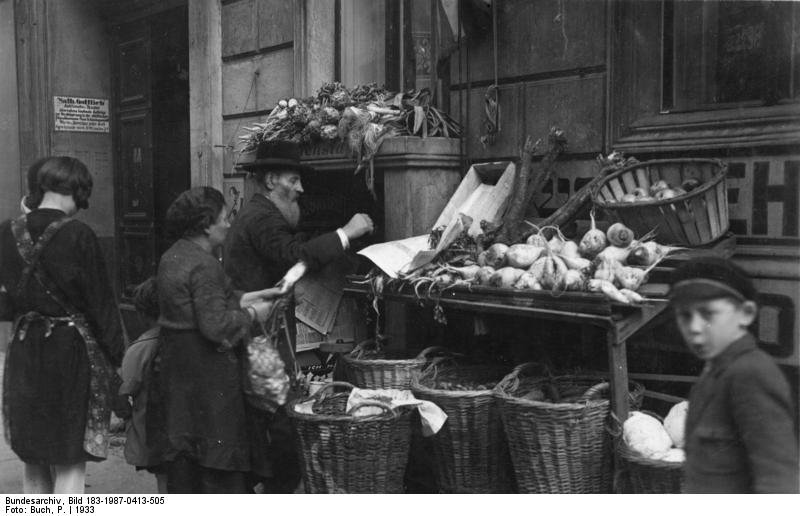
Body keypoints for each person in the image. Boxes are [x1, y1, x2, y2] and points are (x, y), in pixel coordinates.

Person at [222, 139, 374, 493]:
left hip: (265, 333)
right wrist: (346, 233)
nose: (301, 189)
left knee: (270, 417)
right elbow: (294, 257)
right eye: (294, 180)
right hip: (261, 336)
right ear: (272, 179)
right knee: (280, 420)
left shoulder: (261, 214)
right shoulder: (261, 217)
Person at [0, 156, 125, 494]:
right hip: (69, 350)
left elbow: (5, 304)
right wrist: (119, 360)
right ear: (77, 191)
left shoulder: (7, 231)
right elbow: (101, 305)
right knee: (69, 452)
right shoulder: (79, 234)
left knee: (33, 448)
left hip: (25, 348)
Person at [155, 186, 282, 494]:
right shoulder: (205, 263)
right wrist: (254, 314)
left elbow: (205, 300)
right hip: (208, 378)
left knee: (187, 464)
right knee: (217, 468)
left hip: (179, 371)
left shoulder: (174, 255)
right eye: (224, 218)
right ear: (205, 224)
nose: (228, 223)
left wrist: (248, 297)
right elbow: (215, 325)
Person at [669, 257, 799, 493]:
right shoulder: (716, 369)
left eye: (708, 314)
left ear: (746, 314)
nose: (695, 327)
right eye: (685, 316)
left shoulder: (751, 373)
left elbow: (780, 482)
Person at [118, 277, 167, 493]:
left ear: (142, 314)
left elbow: (125, 389)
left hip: (156, 432)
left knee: (165, 482)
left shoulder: (140, 348)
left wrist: (128, 417)